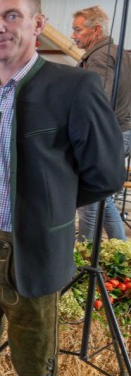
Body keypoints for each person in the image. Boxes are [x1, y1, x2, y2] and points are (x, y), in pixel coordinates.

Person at [0, 1, 125, 376]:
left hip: (35, 250)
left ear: (38, 25)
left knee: (33, 368)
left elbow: (108, 173)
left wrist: (52, 206)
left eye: (12, 15)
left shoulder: (73, 87)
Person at [71, 5, 131, 242]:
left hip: (109, 134)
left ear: (96, 30)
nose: (73, 35)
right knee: (103, 195)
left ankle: (84, 251)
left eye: (78, 30)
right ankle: (122, 250)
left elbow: (98, 103)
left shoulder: (98, 57)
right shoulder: (119, 53)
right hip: (122, 130)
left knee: (89, 194)